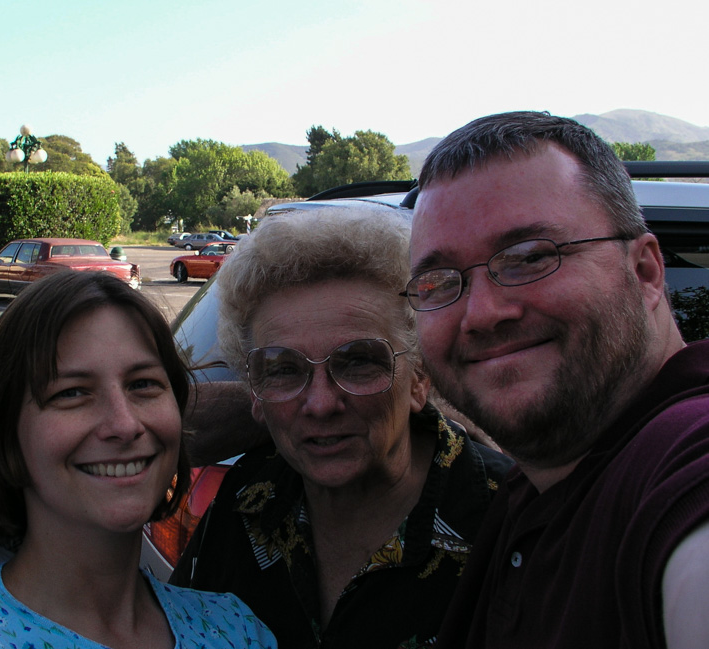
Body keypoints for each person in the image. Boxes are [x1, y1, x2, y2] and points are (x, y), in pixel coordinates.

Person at [403, 111, 709, 648]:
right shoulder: (532, 489)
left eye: (529, 257)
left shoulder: (683, 467)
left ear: (645, 272)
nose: (481, 313)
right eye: (439, 281)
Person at [170, 207, 513, 649]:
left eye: (359, 361)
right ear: (254, 392)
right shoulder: (248, 500)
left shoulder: (508, 523)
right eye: (282, 369)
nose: (320, 403)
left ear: (421, 377)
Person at [0, 271, 277, 648]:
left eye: (143, 384)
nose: (124, 424)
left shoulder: (235, 629)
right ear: (7, 438)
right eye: (72, 393)